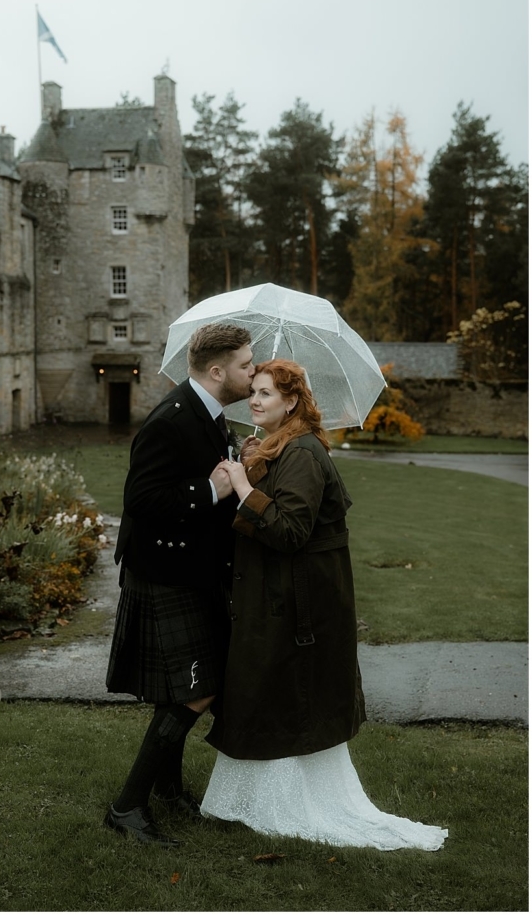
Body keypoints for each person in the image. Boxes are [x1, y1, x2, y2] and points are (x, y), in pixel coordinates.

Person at [201, 359, 448, 850]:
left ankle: (288, 804)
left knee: (286, 693)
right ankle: (248, 800)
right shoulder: (281, 447)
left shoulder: (305, 453)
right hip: (278, 597)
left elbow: (291, 530)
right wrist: (254, 463)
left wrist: (247, 487)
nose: (254, 400)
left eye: (266, 393)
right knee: (266, 691)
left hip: (299, 604)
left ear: (292, 401)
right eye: (253, 391)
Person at [105, 322, 256, 848]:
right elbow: (140, 503)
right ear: (217, 372)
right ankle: (127, 806)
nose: (253, 371)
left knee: (183, 688)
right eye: (245, 364)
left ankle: (167, 789)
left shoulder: (212, 415)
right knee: (199, 688)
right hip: (165, 572)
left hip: (195, 569)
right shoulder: (170, 419)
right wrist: (208, 491)